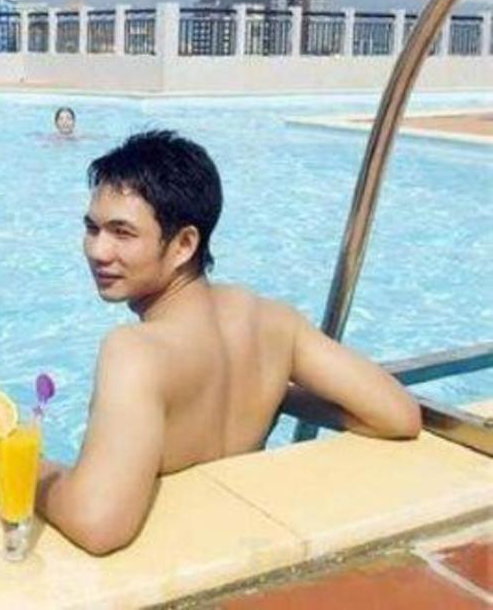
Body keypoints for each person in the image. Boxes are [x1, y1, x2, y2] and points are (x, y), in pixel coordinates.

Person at [36, 130, 421, 556]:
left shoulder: (136, 351)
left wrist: (29, 473)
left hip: (182, 569)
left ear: (184, 244)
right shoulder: (272, 322)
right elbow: (398, 414)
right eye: (92, 228)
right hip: (252, 549)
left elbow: (99, 525)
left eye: (122, 233)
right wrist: (274, 392)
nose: (98, 250)